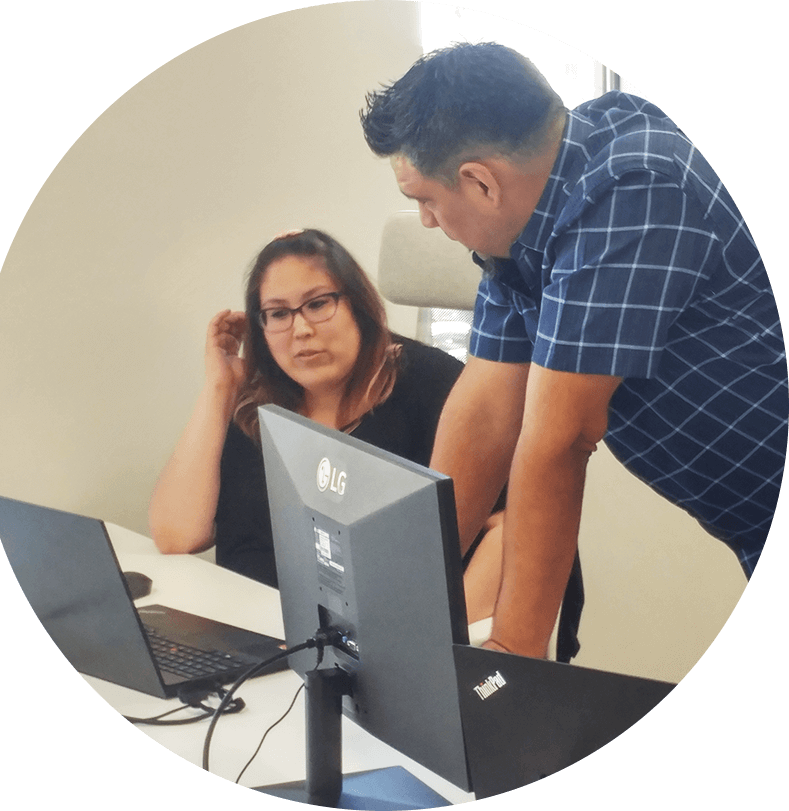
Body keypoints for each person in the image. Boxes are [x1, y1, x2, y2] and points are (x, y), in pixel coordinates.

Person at [361, 42, 787, 658]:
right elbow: (487, 407)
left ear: (480, 182)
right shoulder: (524, 226)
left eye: (425, 198)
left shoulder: (634, 188)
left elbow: (560, 440)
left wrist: (513, 656)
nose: (426, 220)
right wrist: (395, 592)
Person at [148, 228, 507, 632]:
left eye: (318, 304)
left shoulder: (431, 384)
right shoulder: (256, 401)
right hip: (256, 639)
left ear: (358, 305)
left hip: (386, 647)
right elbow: (177, 535)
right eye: (279, 314)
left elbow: (507, 531)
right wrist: (220, 387)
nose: (300, 330)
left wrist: (438, 642)